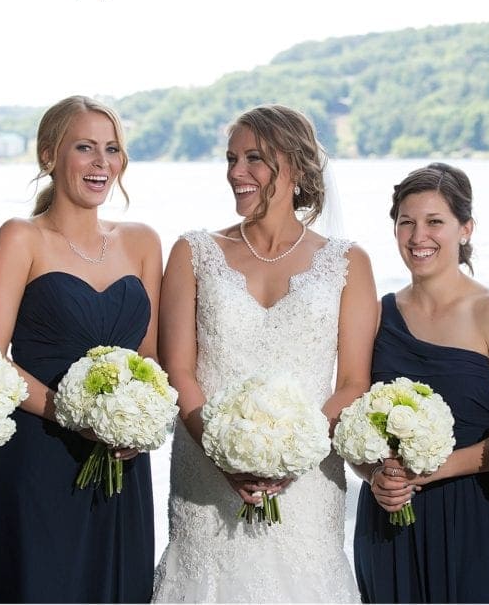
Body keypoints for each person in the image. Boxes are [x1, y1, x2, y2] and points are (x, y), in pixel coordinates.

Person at [151, 104, 378, 603]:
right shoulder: (193, 252)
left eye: (254, 158)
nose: (236, 172)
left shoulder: (347, 262)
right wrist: (224, 454)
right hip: (205, 477)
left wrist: (290, 458)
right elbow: (179, 369)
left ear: (295, 166)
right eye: (231, 158)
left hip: (307, 480)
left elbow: (353, 382)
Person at [0, 96, 162, 603]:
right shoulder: (22, 236)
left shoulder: (143, 242)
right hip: (40, 458)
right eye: (85, 148)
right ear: (48, 157)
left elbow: (152, 361)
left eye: (112, 149)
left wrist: (139, 422)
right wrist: (75, 415)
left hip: (123, 466)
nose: (102, 163)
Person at [351, 163, 489, 603]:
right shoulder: (376, 315)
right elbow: (350, 426)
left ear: (465, 229)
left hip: (475, 517)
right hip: (389, 520)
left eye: (435, 222)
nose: (419, 237)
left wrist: (435, 469)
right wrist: (375, 474)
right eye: (406, 223)